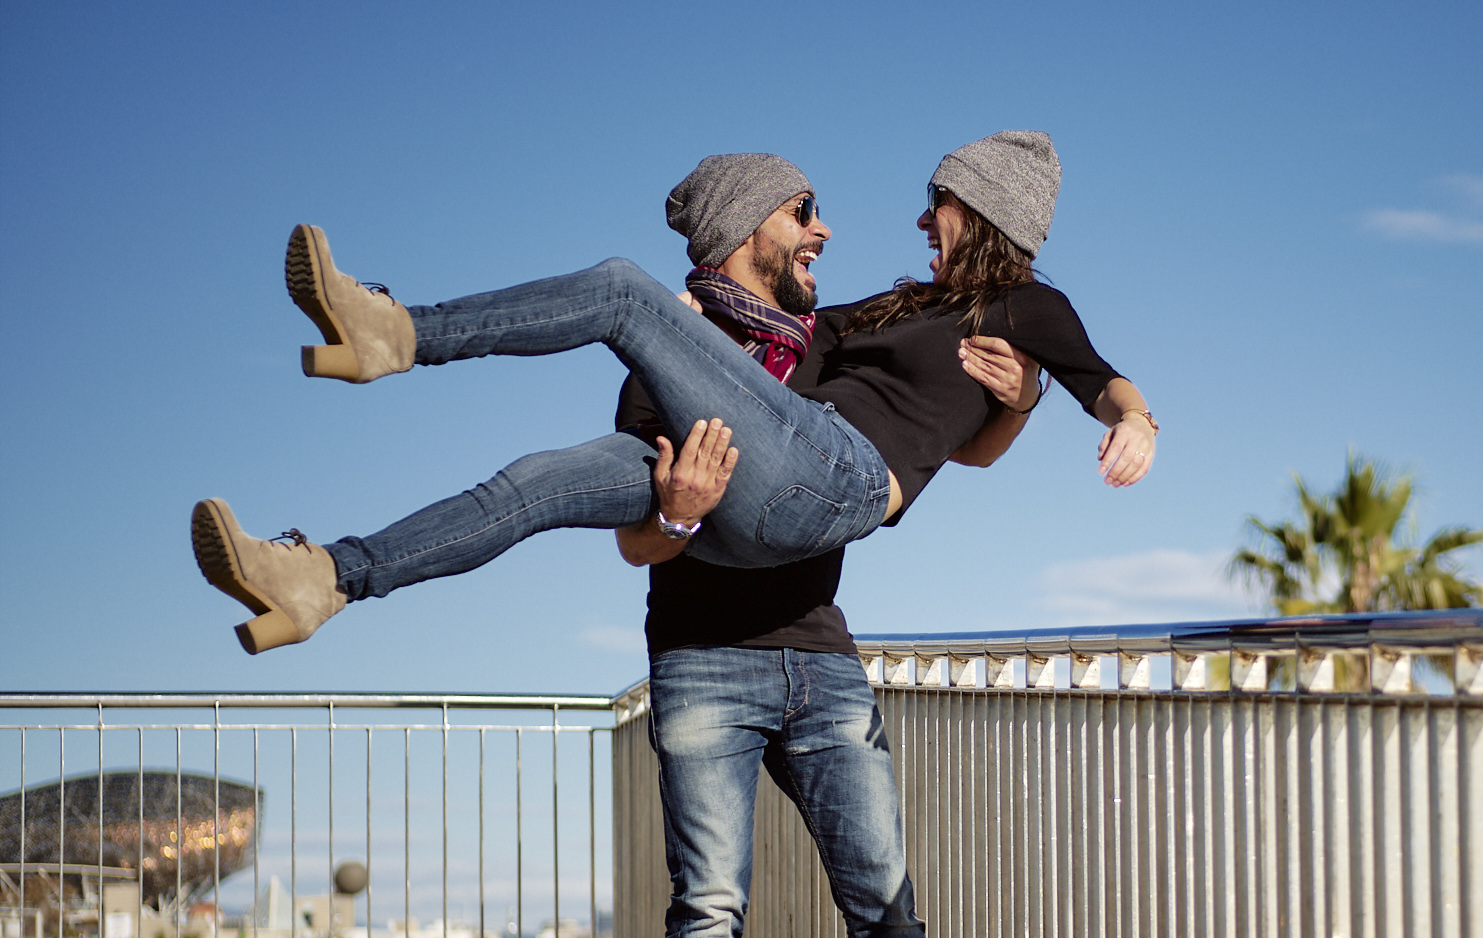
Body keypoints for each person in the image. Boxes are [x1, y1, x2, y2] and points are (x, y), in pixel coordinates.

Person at [191, 132, 1159, 655]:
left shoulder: (1023, 306)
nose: (919, 217)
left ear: (982, 211)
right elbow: (813, 348)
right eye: (800, 214)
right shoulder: (882, 309)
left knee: (620, 287)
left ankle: (399, 332)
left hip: (834, 481)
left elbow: (1099, 379)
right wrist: (700, 345)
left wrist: (1132, 421)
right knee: (529, 483)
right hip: (752, 487)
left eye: (939, 203)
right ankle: (326, 578)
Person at [609, 156, 1035, 938]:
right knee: (709, 906)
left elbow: (954, 438)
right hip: (705, 663)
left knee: (886, 909)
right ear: (745, 225)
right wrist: (677, 511)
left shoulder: (821, 342)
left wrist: (1017, 406)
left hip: (826, 660)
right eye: (805, 214)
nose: (825, 233)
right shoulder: (661, 368)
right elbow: (632, 543)